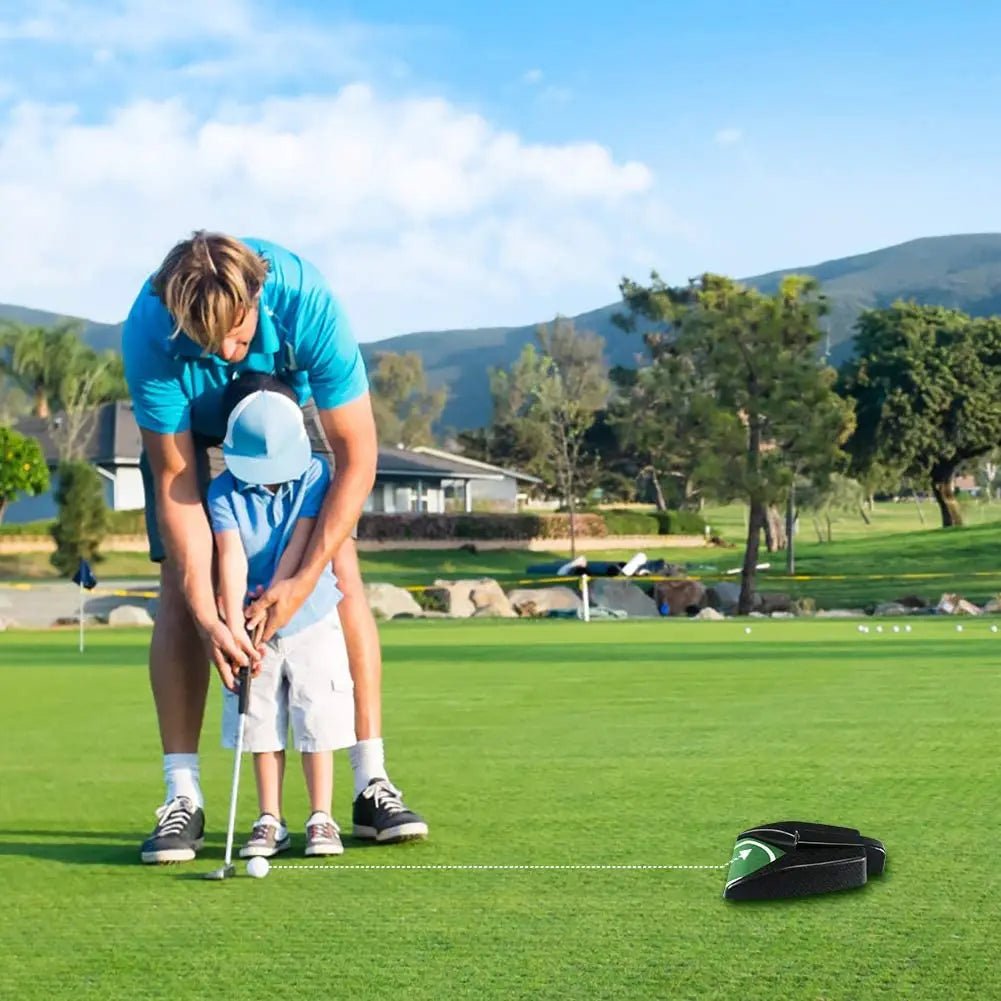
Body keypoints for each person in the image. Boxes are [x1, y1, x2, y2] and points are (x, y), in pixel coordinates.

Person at [122, 232, 427, 864]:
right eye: (211, 344)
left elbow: (357, 457)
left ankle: (371, 781)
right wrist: (212, 617)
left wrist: (301, 578)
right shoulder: (151, 330)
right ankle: (183, 797)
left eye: (237, 334)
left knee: (339, 569)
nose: (229, 353)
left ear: (258, 293)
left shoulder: (307, 300)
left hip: (281, 416)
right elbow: (179, 486)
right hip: (197, 428)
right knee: (182, 590)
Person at [210, 376, 354, 858]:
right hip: (253, 625)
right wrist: (233, 625)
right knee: (261, 721)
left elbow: (301, 546)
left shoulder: (314, 474)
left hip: (310, 616)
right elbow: (230, 558)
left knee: (317, 716)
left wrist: (277, 599)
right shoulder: (222, 492)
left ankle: (321, 817)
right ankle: (270, 818)